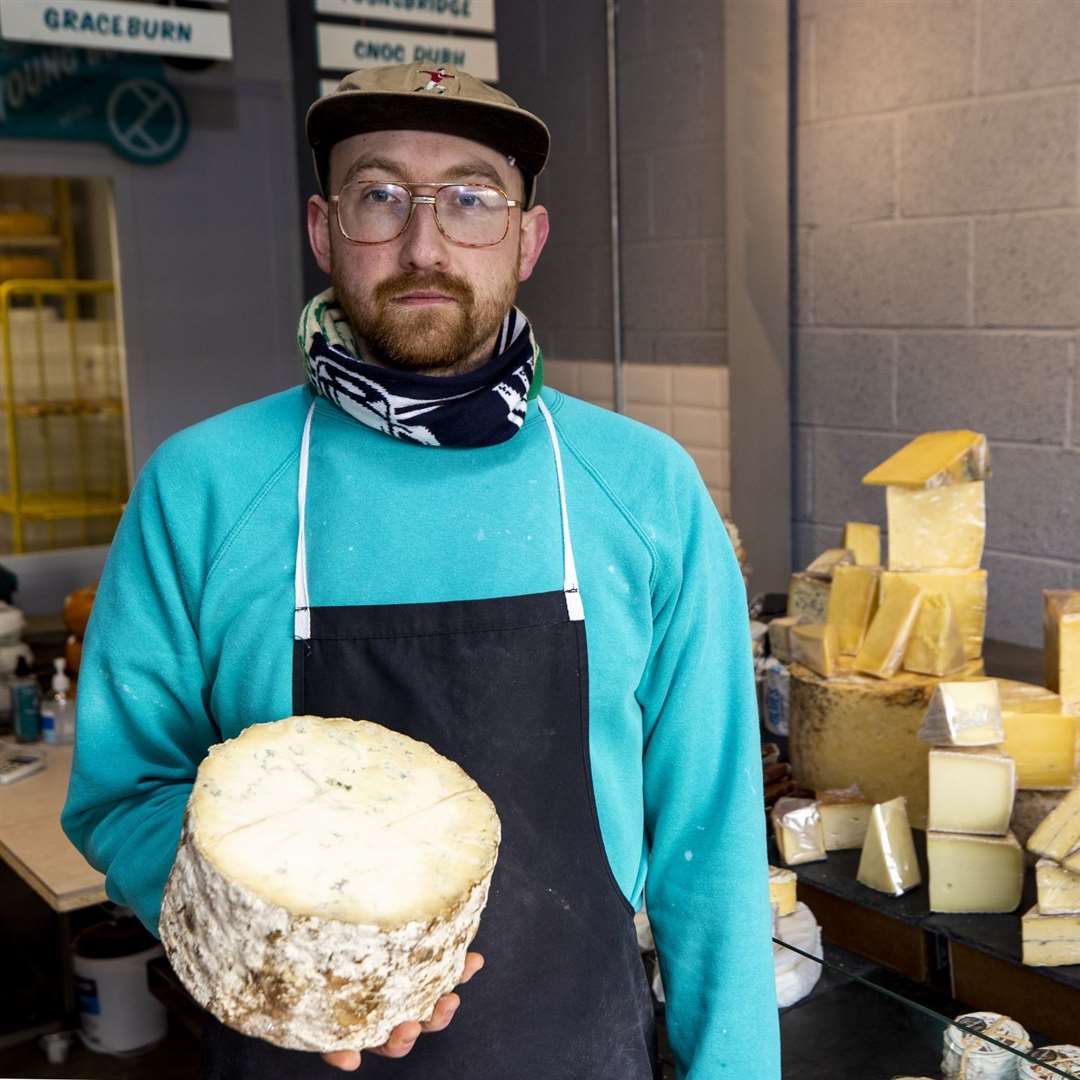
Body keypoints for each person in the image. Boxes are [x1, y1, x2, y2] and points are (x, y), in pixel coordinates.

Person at [62, 62, 779, 1079]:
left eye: (472, 199)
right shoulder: (205, 487)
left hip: (575, 1048)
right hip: (291, 1051)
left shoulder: (643, 489)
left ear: (527, 240)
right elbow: (120, 793)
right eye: (379, 196)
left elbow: (711, 843)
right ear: (323, 229)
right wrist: (287, 942)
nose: (424, 244)